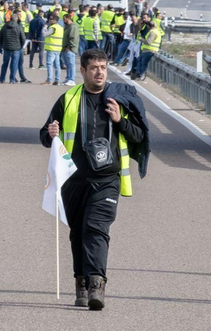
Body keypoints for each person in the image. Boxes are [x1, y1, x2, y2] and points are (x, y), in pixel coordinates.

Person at [39, 48, 151, 310]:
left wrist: (120, 119)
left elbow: (139, 137)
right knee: (78, 233)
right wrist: (50, 132)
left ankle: (97, 284)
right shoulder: (68, 99)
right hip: (74, 181)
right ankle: (80, 281)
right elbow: (45, 136)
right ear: (83, 71)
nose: (100, 72)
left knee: (95, 228)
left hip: (107, 179)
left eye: (103, 67)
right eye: (94, 68)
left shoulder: (118, 100)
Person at [128, 13, 164, 80]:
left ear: (149, 26)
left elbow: (148, 42)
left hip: (150, 50)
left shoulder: (153, 32)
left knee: (143, 63)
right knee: (139, 61)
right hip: (146, 50)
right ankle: (138, 73)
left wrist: (140, 39)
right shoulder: (154, 31)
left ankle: (140, 75)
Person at [0, 10, 25, 83]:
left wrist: (1, 45)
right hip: (16, 48)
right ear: (17, 20)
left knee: (5, 63)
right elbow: (23, 38)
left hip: (6, 47)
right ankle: (12, 79)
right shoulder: (18, 27)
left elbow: (0, 37)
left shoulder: (5, 26)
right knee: (14, 64)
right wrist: (21, 46)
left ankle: (2, 79)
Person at [42, 9, 65, 84]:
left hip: (51, 48)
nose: (49, 20)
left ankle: (49, 80)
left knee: (49, 64)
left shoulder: (53, 28)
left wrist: (45, 27)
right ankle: (57, 80)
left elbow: (44, 34)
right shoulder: (61, 28)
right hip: (58, 48)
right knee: (57, 65)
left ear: (55, 20)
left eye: (51, 19)